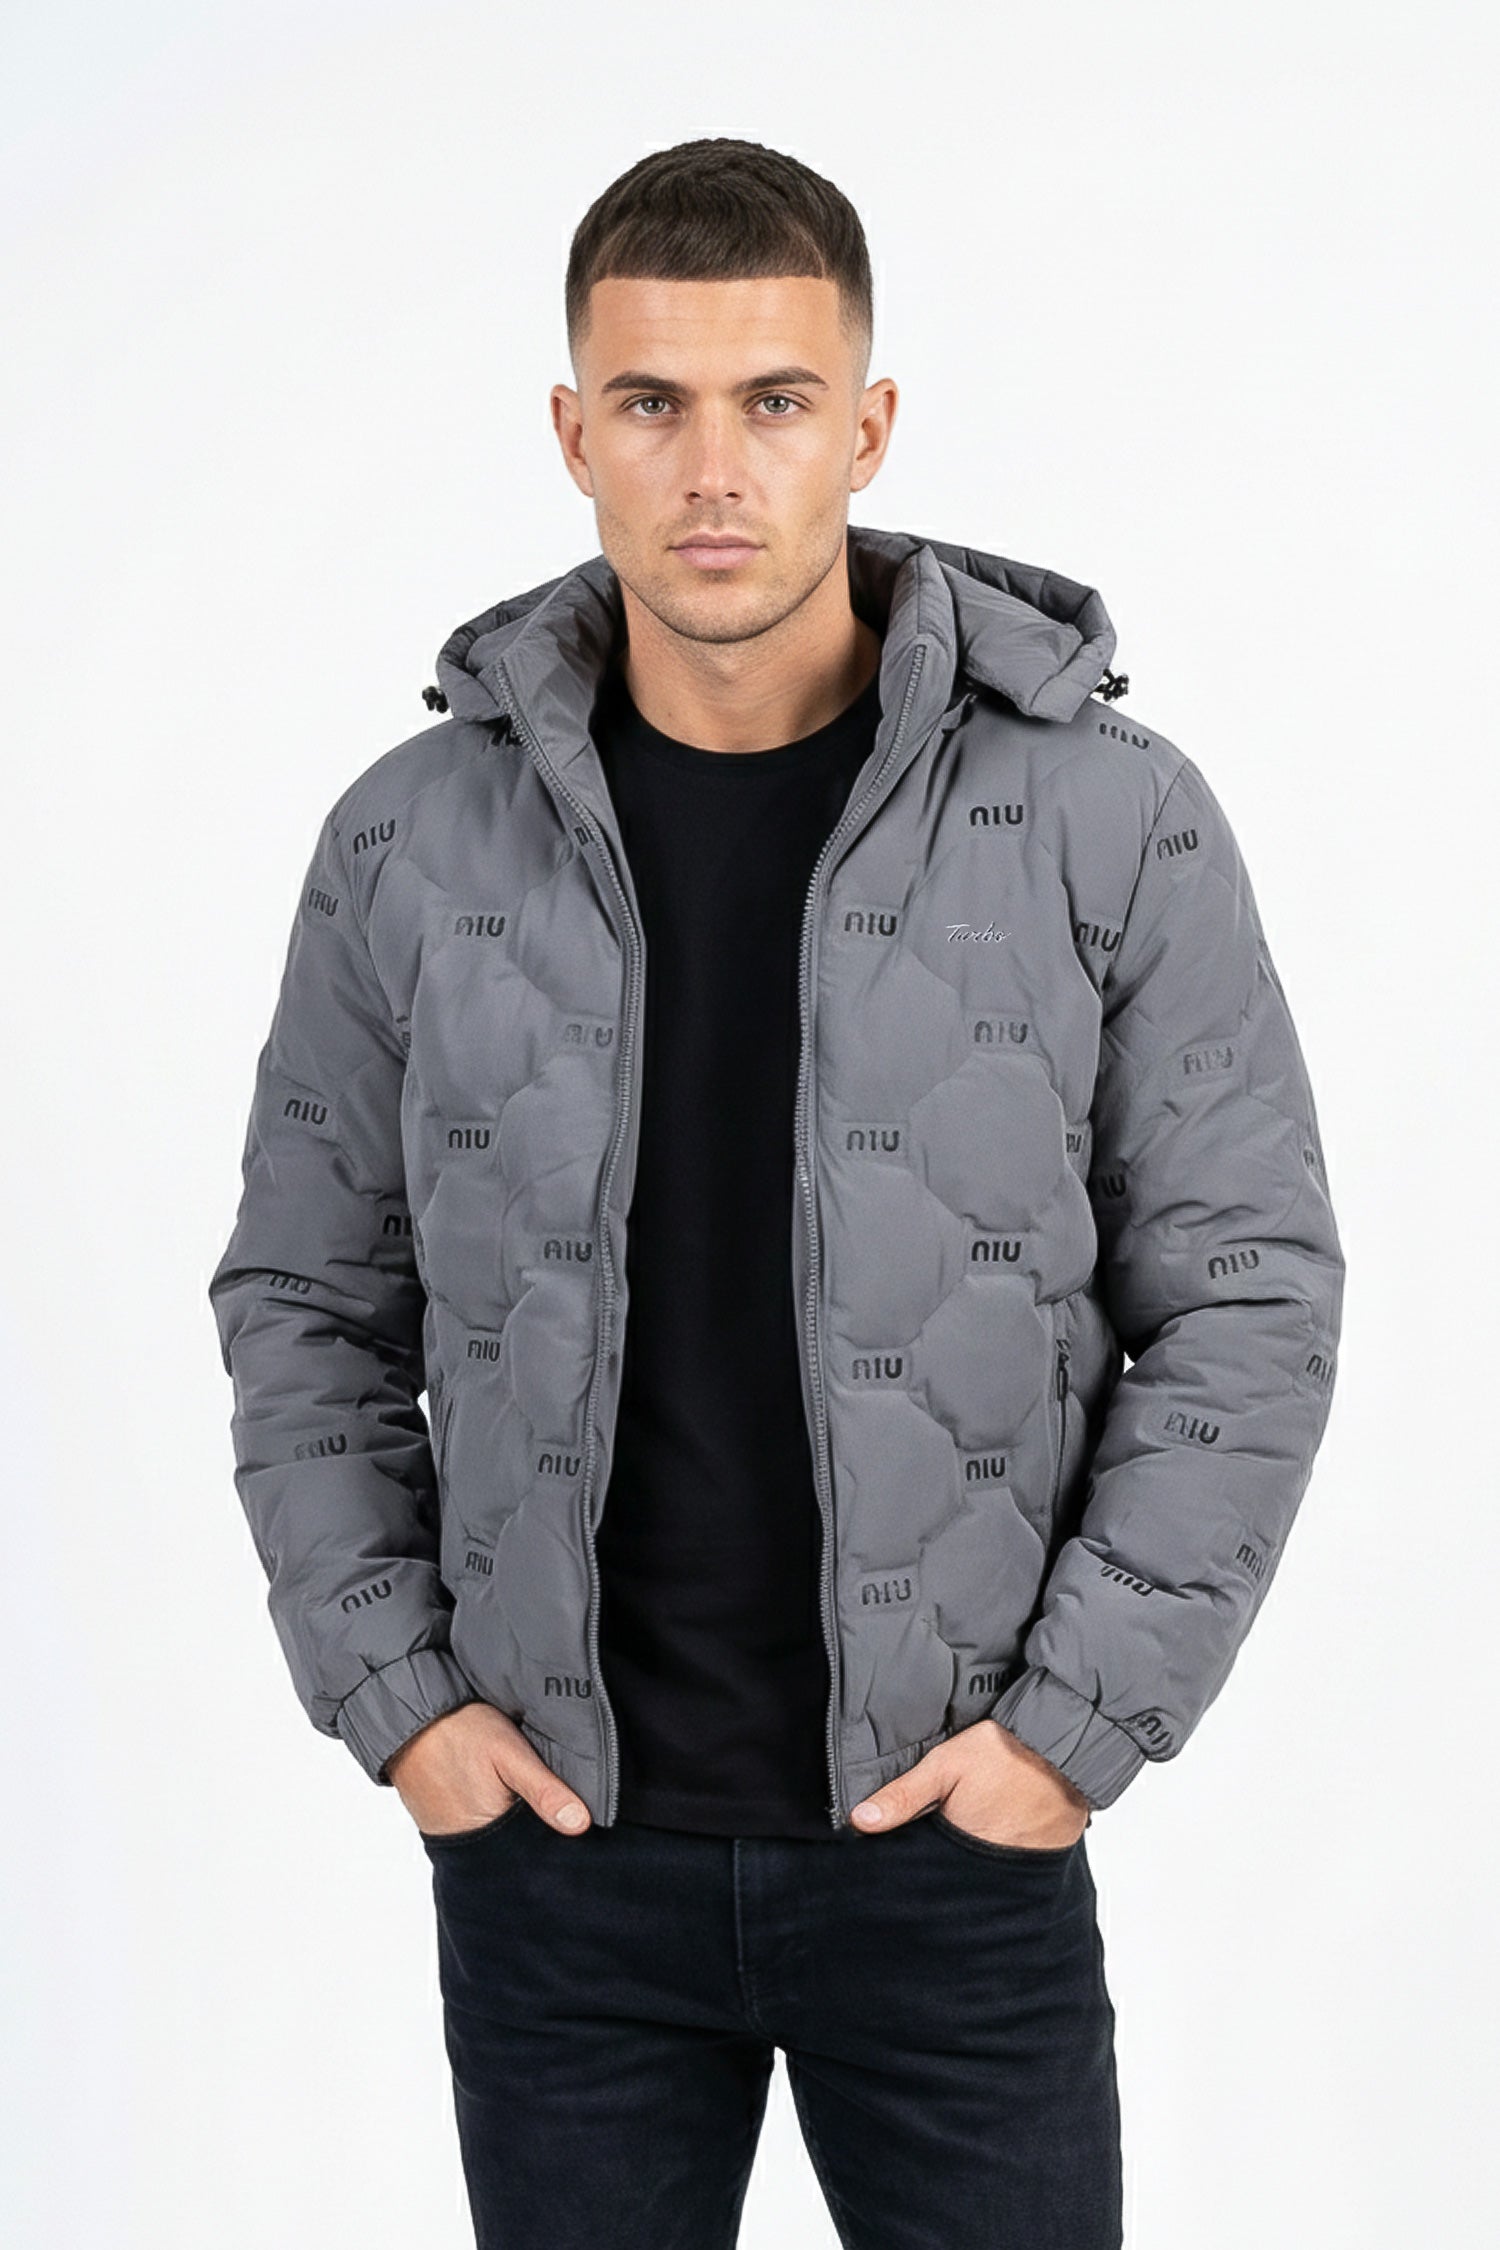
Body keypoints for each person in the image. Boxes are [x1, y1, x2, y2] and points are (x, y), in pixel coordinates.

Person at [207, 135, 1345, 2250]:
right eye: (652, 402)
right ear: (575, 435)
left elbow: (1250, 1293)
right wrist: (404, 1706)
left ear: (869, 426)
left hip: (955, 1855)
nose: (713, 469)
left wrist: (1065, 1737)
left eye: (776, 400)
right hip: (560, 1867)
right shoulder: (407, 842)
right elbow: (305, 1299)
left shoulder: (1111, 818)